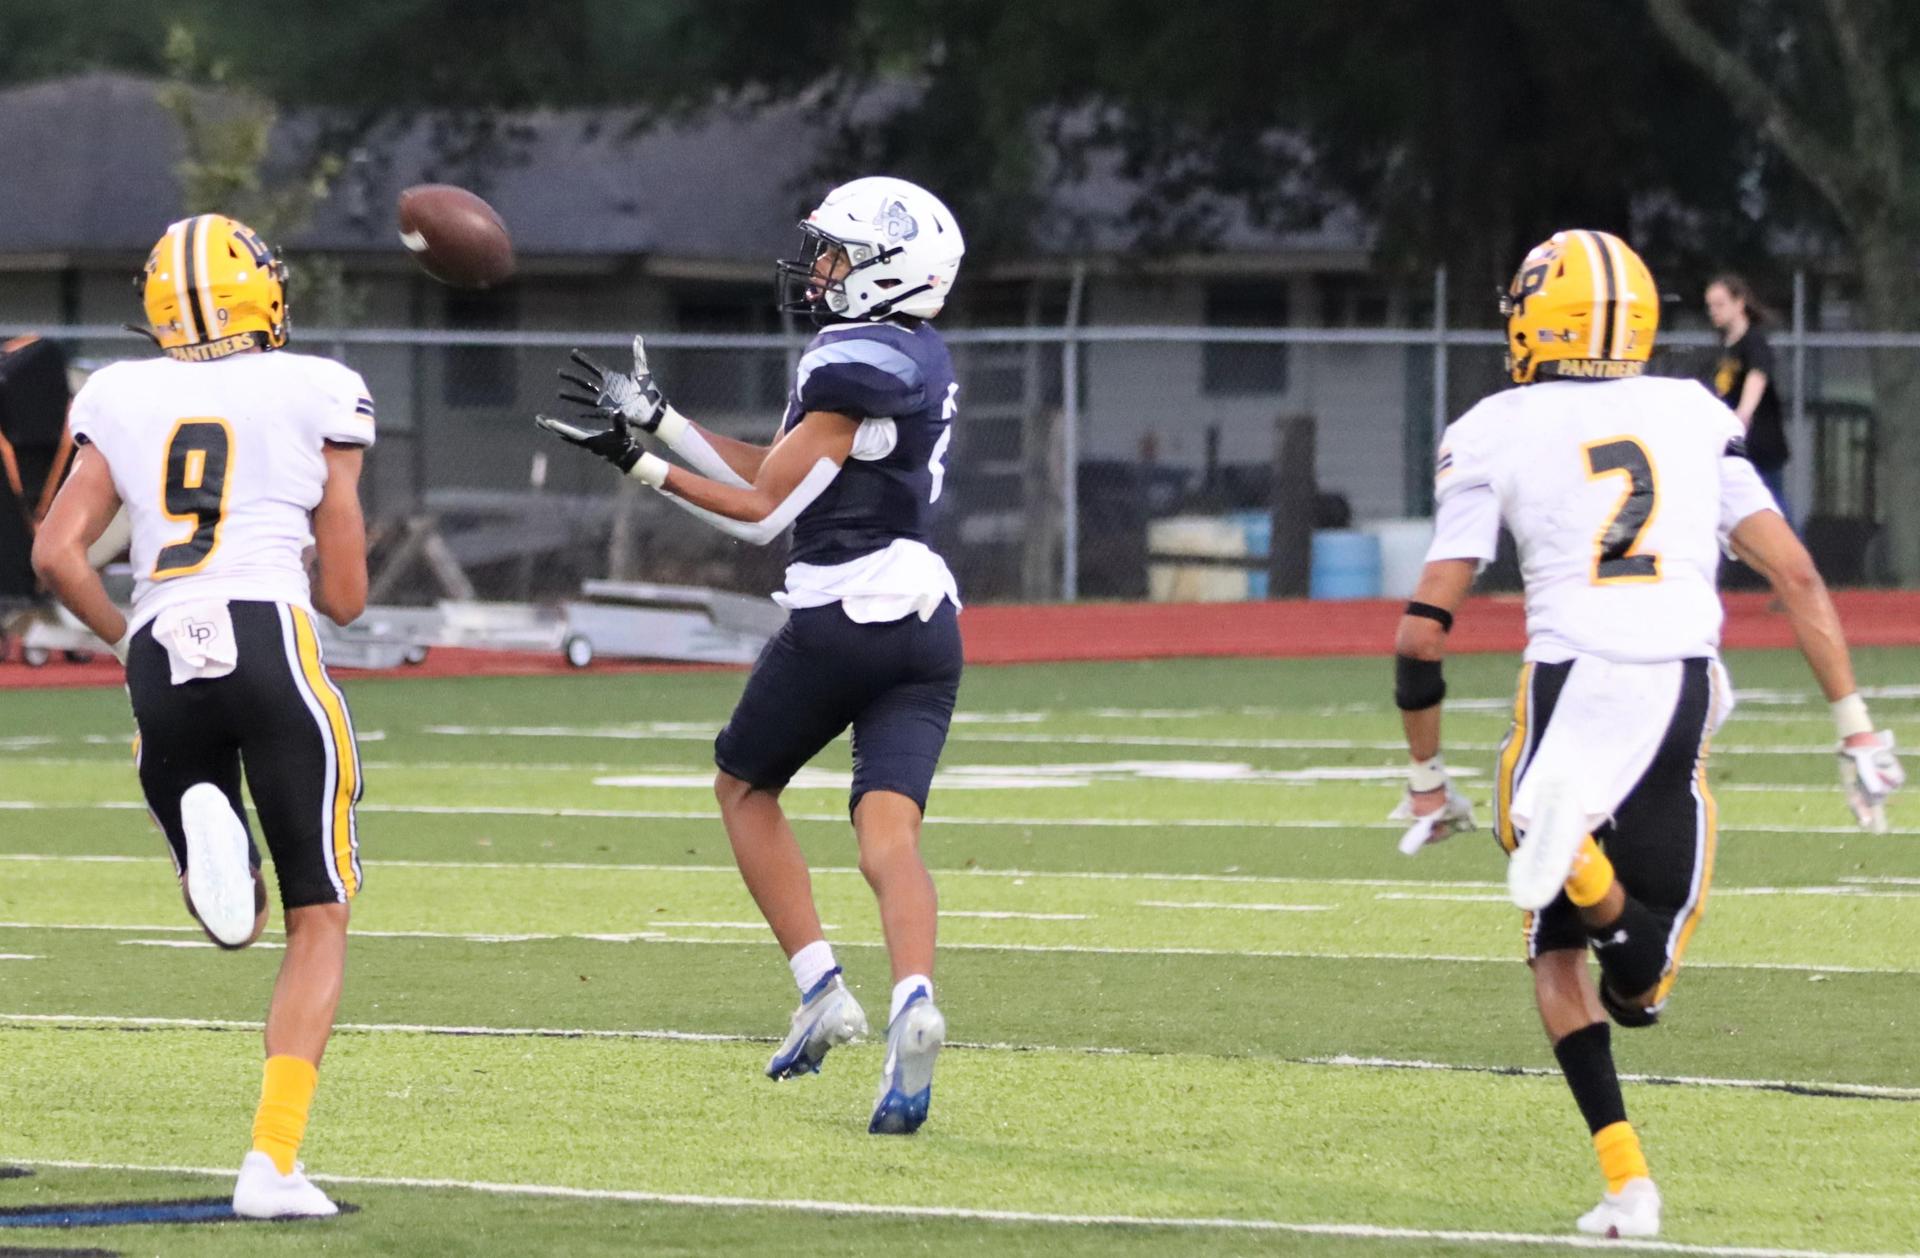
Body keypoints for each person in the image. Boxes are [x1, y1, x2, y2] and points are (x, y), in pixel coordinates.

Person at [1388, 230, 1903, 1239]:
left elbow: (1422, 632)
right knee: (1637, 987)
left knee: (1552, 937)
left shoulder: (1494, 425)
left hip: (1570, 678)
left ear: (1542, 316)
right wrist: (1855, 725)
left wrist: (1422, 775)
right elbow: (1795, 576)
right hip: (1679, 690)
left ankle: (1563, 846)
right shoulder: (1693, 409)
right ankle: (1629, 1181)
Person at [536, 176, 966, 1135]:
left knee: (742, 784)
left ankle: (821, 987)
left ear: (885, 270)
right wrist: (665, 424)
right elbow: (783, 468)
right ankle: (913, 1002)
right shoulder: (911, 352)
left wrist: (637, 464)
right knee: (889, 839)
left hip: (841, 613)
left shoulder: (847, 364)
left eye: (838, 255)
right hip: (928, 623)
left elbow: (766, 513)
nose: (820, 270)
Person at [31, 213, 372, 1218]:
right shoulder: (319, 385)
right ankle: (271, 1162)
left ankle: (206, 839)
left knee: (240, 914)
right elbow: (348, 598)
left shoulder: (119, 391)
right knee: (320, 917)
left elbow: (55, 553)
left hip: (161, 648)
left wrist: (122, 636)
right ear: (261, 294)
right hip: (269, 635)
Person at [1705, 274, 1791, 524]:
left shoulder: (1753, 340)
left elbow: (1758, 374)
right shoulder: (1725, 345)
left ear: (1739, 303)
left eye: (1720, 304)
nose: (1714, 311)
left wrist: (1743, 414)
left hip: (1760, 444)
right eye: (1710, 305)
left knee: (1775, 511)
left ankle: (1797, 560)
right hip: (1734, 446)